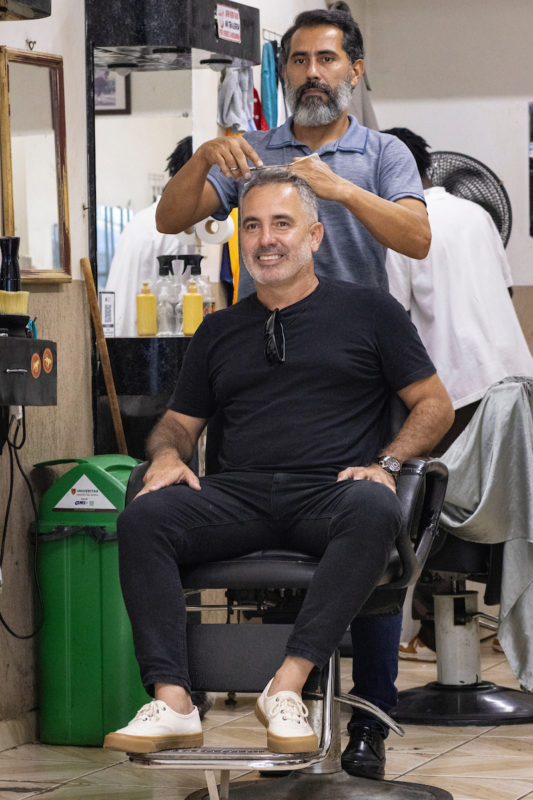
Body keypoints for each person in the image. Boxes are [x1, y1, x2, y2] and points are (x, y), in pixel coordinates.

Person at [156, 11, 432, 778]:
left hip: (358, 361)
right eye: (299, 60)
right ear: (283, 72)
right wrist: (204, 160)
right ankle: (281, 700)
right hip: (265, 362)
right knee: (268, 536)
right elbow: (171, 216)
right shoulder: (253, 152)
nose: (313, 72)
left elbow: (414, 238)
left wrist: (335, 187)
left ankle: (369, 722)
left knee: (365, 524)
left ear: (355, 70)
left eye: (327, 59)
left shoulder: (380, 154)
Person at [103, 171, 453, 757]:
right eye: (254, 226)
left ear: (314, 236)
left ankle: (286, 687)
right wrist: (166, 455)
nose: (268, 239)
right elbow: (178, 424)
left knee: (374, 504)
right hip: (236, 498)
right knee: (144, 516)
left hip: (329, 494)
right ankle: (174, 701)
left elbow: (435, 405)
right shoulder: (217, 330)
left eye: (283, 224)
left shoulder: (370, 312)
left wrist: (387, 462)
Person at [383, 127, 533, 659]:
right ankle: (429, 630)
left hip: (460, 392)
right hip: (517, 388)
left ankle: (409, 631)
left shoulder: (401, 224)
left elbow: (390, 319)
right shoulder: (478, 215)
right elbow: (507, 289)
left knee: (402, 482)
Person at [105, 137, 192, 337]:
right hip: (141, 341)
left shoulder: (142, 219)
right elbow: (179, 305)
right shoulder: (177, 227)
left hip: (120, 337)